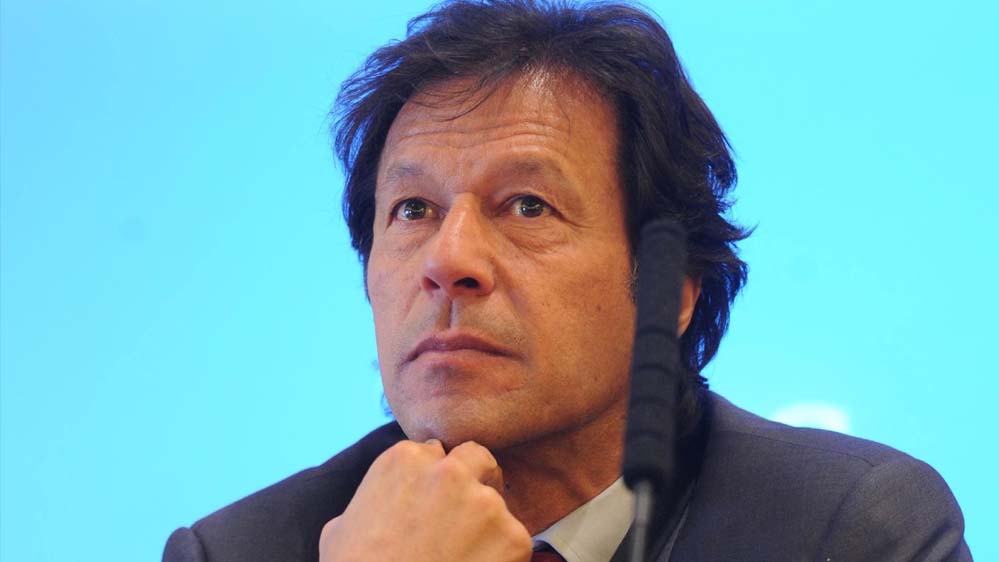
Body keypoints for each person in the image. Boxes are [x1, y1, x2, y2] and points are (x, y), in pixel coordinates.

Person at [163, 1, 972, 561]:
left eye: (527, 205)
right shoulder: (239, 552)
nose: (448, 260)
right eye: (412, 210)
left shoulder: (847, 531)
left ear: (672, 291)